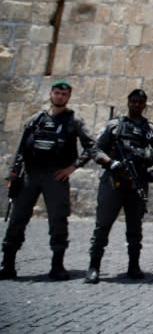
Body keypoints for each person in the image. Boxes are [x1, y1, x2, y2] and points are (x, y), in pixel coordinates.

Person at [0, 80, 99, 281]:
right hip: (30, 174)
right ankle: (7, 263)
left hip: (55, 176)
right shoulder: (36, 119)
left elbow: (91, 146)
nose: (59, 97)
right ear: (51, 94)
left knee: (58, 219)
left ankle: (57, 265)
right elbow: (21, 149)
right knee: (17, 219)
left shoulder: (74, 121)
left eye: (64, 94)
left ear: (68, 97)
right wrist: (13, 174)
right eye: (56, 93)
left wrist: (72, 168)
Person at [84, 88, 153, 284]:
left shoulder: (149, 130)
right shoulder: (115, 126)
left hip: (137, 183)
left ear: (145, 105)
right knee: (102, 225)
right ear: (128, 102)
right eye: (133, 101)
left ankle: (134, 266)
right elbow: (95, 149)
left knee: (135, 228)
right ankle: (94, 267)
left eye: (140, 102)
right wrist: (110, 162)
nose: (137, 105)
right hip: (114, 181)